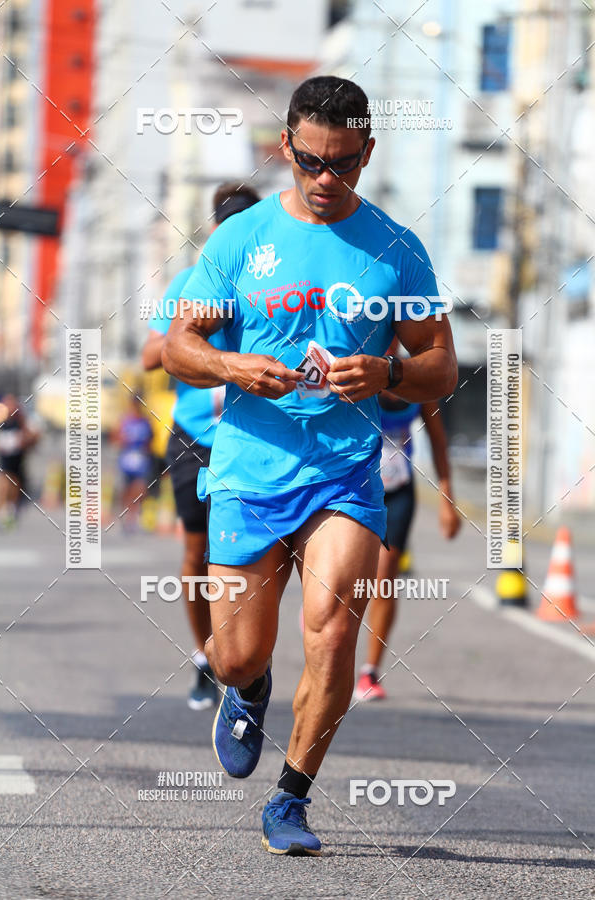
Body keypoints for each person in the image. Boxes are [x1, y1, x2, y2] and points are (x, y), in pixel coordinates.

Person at [163, 75, 457, 856]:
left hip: (346, 470)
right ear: (286, 148)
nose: (327, 179)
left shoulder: (396, 249)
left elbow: (441, 366)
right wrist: (232, 367)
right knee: (236, 654)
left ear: (368, 152)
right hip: (249, 468)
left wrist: (389, 373)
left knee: (331, 634)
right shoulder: (240, 239)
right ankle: (248, 686)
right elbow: (178, 348)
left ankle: (291, 799)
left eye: (345, 163)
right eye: (312, 161)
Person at [142, 182, 261, 710]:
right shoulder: (190, 282)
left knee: (250, 555)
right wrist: (192, 336)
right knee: (196, 552)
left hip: (253, 437)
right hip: (195, 438)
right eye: (227, 226)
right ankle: (206, 655)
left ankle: (247, 659)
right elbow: (152, 355)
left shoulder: (270, 283)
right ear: (214, 229)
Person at [355, 340, 462, 701]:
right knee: (346, 575)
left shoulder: (415, 381)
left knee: (385, 578)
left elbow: (438, 442)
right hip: (355, 490)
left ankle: (369, 672)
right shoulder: (356, 372)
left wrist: (447, 501)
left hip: (399, 491)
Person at [0, 393, 39, 529]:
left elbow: (33, 437)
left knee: (15, 486)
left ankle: (10, 512)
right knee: (4, 483)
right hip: (5, 463)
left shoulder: (21, 421)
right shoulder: (0, 421)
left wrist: (24, 440)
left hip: (18, 462)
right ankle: (1, 512)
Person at [115, 396, 153, 533]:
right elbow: (117, 438)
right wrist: (124, 440)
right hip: (127, 461)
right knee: (126, 490)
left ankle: (134, 517)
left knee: (139, 490)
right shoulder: (125, 421)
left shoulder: (145, 422)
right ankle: (124, 516)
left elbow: (150, 440)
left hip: (141, 461)